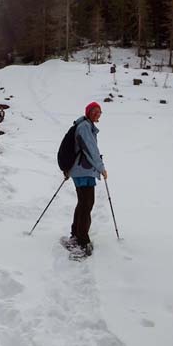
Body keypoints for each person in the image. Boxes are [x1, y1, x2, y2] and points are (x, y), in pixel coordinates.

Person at [64, 101, 107, 257]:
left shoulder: (86, 126)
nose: (97, 113)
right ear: (88, 112)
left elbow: (90, 150)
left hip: (84, 170)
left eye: (99, 111)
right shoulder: (84, 127)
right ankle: (81, 241)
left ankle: (76, 234)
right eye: (94, 111)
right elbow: (91, 150)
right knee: (86, 204)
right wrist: (101, 168)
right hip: (81, 170)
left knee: (84, 203)